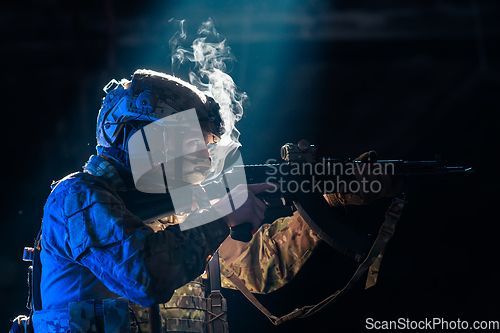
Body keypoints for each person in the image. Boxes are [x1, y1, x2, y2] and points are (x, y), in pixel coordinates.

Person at [29, 69, 400, 333]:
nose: (198, 158)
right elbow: (145, 276)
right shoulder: (77, 197)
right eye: (179, 141)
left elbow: (257, 268)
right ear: (131, 136)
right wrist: (222, 216)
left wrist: (328, 200)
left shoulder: (181, 207)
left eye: (199, 145)